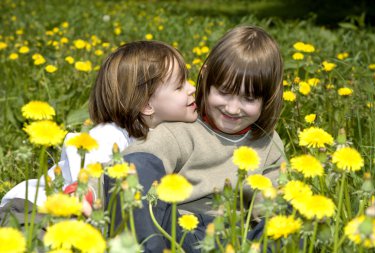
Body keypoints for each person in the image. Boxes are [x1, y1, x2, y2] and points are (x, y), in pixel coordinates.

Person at [105, 25, 285, 252]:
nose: (232, 108)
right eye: (224, 92)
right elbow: (136, 162)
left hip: (236, 237)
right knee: (136, 175)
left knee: (292, 215)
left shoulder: (269, 143)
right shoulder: (182, 127)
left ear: (267, 100)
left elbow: (271, 208)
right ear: (207, 80)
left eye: (248, 99)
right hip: (181, 232)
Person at [0, 41, 198, 215]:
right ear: (147, 106)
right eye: (180, 86)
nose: (192, 89)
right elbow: (88, 181)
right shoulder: (108, 136)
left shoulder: (165, 135)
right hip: (34, 208)